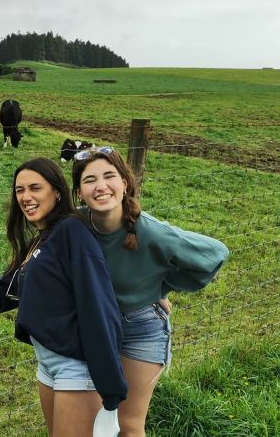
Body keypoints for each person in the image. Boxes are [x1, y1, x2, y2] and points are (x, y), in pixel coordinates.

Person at [0, 157, 127, 436]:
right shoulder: (41, 241)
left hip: (77, 368)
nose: (26, 197)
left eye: (35, 188)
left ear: (57, 192)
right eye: (19, 190)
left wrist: (110, 388)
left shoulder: (72, 233)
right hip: (48, 363)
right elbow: (0, 299)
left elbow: (98, 307)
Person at [71, 146, 229, 436]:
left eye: (109, 176)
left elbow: (215, 253)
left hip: (140, 329)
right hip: (94, 327)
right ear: (80, 192)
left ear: (125, 183)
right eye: (90, 180)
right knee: (93, 422)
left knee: (128, 426)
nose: (101, 186)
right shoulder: (75, 227)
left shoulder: (150, 230)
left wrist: (160, 285)